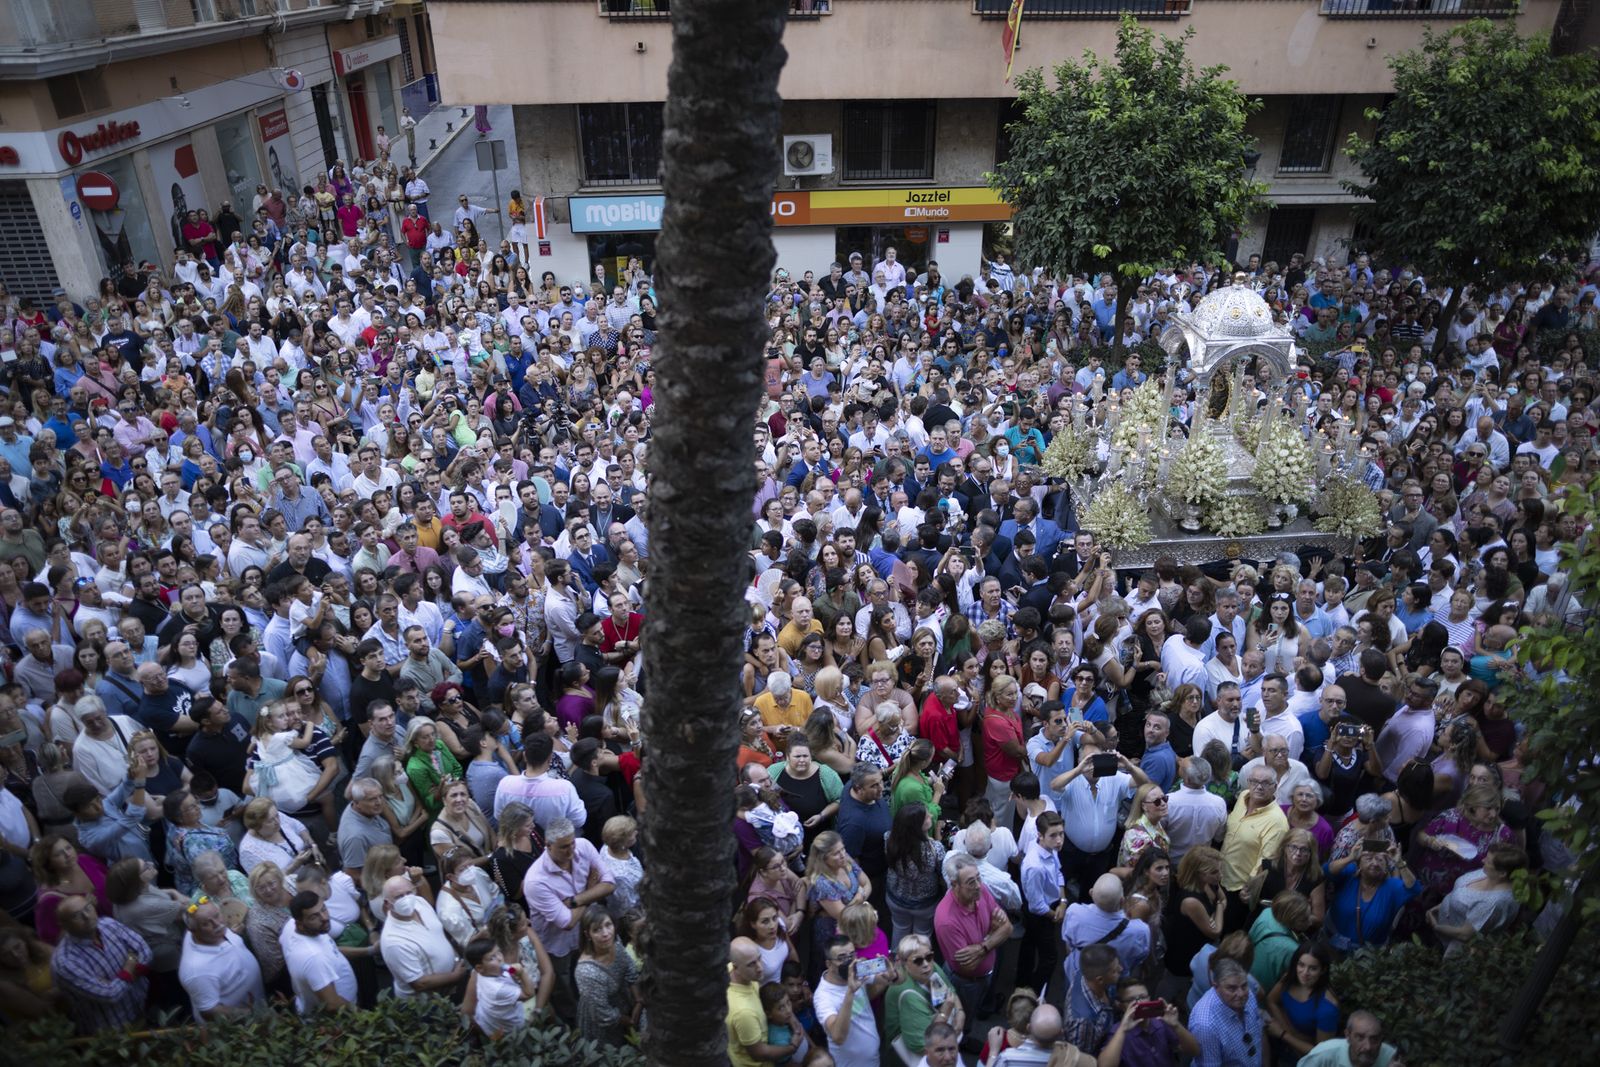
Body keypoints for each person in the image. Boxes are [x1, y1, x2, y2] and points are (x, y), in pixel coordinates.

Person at [49, 893, 152, 1034]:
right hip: (112, 1029)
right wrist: (129, 965)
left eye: (87, 908)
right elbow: (110, 995)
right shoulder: (65, 962)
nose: (86, 916)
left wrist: (124, 974)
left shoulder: (108, 924)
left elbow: (144, 950)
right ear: (64, 925)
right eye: (76, 916)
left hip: (141, 1003)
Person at [177, 898, 266, 1019]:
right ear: (193, 931)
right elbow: (209, 1011)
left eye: (217, 915)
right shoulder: (196, 970)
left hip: (258, 1003)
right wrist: (253, 1015)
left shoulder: (212, 933)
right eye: (206, 923)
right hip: (241, 1026)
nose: (217, 924)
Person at [885, 932, 965, 1062]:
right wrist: (945, 1013)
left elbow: (951, 990)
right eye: (917, 960)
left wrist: (960, 1013)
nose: (926, 964)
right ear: (904, 963)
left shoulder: (930, 968)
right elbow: (921, 1046)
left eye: (929, 956)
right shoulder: (907, 995)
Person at [280, 889, 359, 1014]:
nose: (324, 918)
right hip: (340, 1019)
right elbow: (332, 1004)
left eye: (323, 909)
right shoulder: (314, 957)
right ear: (299, 924)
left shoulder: (292, 926)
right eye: (313, 917)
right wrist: (362, 1015)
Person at [574, 908, 641, 1045]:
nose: (605, 933)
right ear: (588, 934)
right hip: (604, 1024)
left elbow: (630, 969)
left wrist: (638, 1000)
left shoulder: (614, 942)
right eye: (597, 930)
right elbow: (604, 1016)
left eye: (608, 925)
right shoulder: (586, 972)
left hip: (626, 1005)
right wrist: (631, 1021)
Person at [814, 933, 882, 1067]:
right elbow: (837, 1037)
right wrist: (850, 991)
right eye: (841, 958)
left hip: (873, 1059)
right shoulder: (822, 996)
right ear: (829, 964)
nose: (849, 962)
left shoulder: (859, 969)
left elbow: (890, 977)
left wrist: (894, 973)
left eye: (851, 955)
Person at [1189, 956, 1266, 1067]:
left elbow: (1259, 1036)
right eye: (1232, 988)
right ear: (1216, 987)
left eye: (1244, 986)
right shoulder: (1206, 1025)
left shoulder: (1248, 995)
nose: (1241, 994)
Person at [462, 935, 540, 1039]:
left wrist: (515, 973)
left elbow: (509, 970)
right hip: (512, 1027)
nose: (499, 958)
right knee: (544, 1003)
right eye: (492, 958)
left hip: (491, 1021)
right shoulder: (498, 990)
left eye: (498, 952)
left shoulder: (481, 973)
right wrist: (522, 974)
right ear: (479, 967)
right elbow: (529, 994)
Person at [1297, 1010, 1400, 1067]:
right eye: (1360, 1037)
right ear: (1348, 1036)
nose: (1368, 1047)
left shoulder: (1388, 1056)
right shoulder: (1324, 1055)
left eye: (1374, 1039)